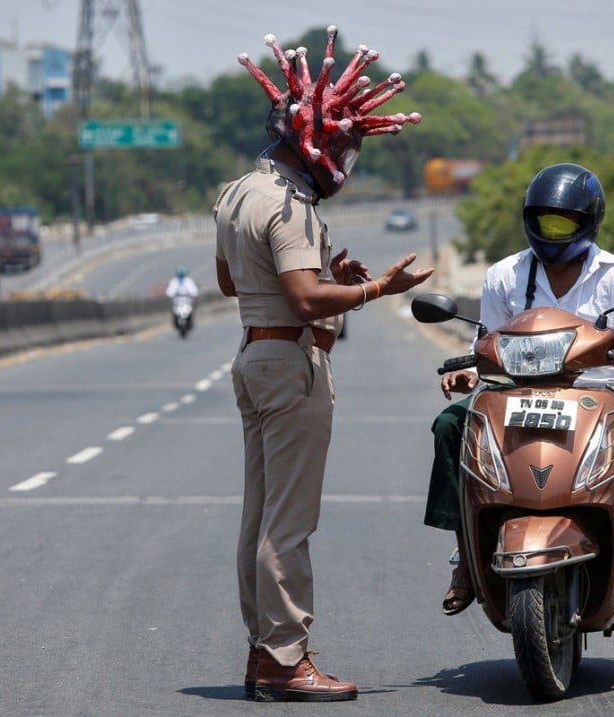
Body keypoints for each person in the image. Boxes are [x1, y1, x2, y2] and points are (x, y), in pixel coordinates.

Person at [423, 162, 614, 685]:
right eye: (545, 222)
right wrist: (468, 371)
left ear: (589, 222)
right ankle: (467, 557)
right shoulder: (504, 275)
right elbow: (482, 342)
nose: (554, 233)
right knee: (450, 425)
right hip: (512, 398)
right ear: (529, 221)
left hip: (593, 405)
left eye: (565, 223)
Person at [213, 26, 432, 703]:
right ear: (315, 142)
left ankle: (263, 648)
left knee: (260, 513)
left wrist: (330, 274)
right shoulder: (291, 204)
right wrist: (372, 289)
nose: (341, 157)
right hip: (289, 362)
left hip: (253, 354)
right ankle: (286, 657)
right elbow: (308, 298)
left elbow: (230, 282)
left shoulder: (237, 193)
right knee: (290, 520)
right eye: (339, 144)